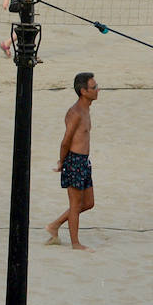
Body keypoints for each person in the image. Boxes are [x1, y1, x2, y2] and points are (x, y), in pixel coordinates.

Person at [47, 73, 100, 251]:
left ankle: (55, 225)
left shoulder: (87, 109)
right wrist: (62, 162)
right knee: (75, 204)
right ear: (83, 91)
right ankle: (75, 243)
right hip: (74, 160)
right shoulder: (75, 113)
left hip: (84, 161)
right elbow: (66, 140)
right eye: (94, 87)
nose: (97, 89)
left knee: (88, 203)